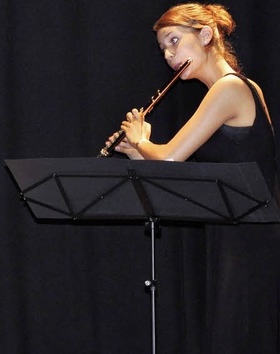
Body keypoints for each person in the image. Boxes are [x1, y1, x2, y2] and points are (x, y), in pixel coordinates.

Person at [110, 3, 280, 353]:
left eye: (174, 40)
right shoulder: (225, 91)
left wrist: (142, 139)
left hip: (250, 236)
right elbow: (186, 171)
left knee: (239, 338)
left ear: (206, 35)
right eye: (163, 49)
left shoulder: (229, 88)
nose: (170, 55)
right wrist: (137, 152)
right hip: (233, 232)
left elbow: (171, 158)